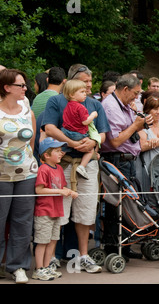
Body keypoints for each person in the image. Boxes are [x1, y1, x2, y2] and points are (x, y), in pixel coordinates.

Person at [42, 63, 109, 273]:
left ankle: (83, 256)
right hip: (62, 163)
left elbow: (104, 134)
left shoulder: (95, 104)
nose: (88, 85)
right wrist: (70, 143)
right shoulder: (56, 101)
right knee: (58, 211)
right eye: (84, 82)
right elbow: (49, 127)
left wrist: (93, 143)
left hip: (87, 165)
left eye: (90, 81)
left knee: (86, 211)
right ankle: (51, 257)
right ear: (70, 83)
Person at [100, 73, 153, 258]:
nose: (137, 97)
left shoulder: (124, 104)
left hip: (129, 160)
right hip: (116, 159)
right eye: (136, 93)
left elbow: (132, 129)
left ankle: (126, 246)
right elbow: (114, 141)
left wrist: (141, 121)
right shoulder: (110, 107)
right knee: (117, 206)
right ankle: (113, 248)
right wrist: (136, 125)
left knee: (129, 203)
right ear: (125, 89)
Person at [0, 69, 39, 284]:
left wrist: (28, 161)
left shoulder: (26, 108)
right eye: (20, 85)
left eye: (25, 85)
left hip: (26, 173)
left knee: (23, 222)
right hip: (0, 176)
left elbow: (32, 141)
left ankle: (19, 267)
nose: (25, 88)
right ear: (7, 88)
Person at [33, 137, 78, 281]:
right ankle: (38, 269)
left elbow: (61, 187)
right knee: (42, 241)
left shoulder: (59, 168)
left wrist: (70, 191)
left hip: (56, 210)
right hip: (45, 211)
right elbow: (39, 190)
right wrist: (59, 192)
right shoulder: (43, 169)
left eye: (61, 150)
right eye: (57, 151)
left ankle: (46, 267)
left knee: (52, 241)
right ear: (46, 155)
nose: (61, 153)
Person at [135, 96, 159, 193]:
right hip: (149, 163)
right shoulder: (143, 123)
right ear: (148, 110)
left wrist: (156, 142)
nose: (158, 112)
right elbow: (142, 146)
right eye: (155, 109)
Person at [61, 79, 99, 179]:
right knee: (90, 151)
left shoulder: (68, 105)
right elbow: (85, 121)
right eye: (82, 92)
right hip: (78, 134)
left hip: (65, 132)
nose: (85, 94)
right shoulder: (80, 107)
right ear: (72, 94)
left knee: (63, 149)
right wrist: (93, 115)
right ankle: (82, 167)